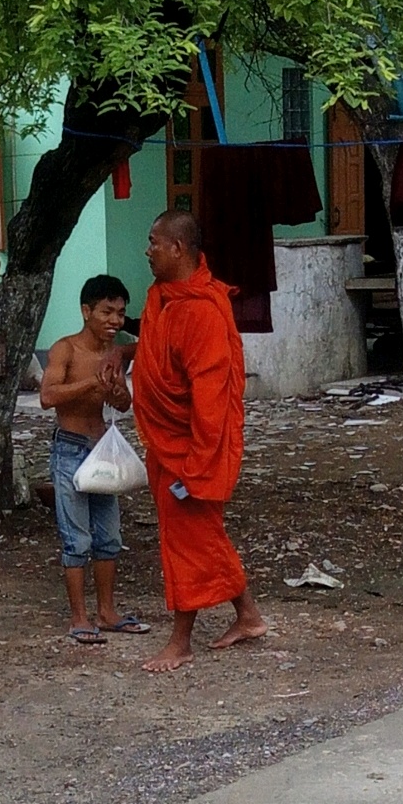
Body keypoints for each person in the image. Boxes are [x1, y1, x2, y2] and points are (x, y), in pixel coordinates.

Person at [131, 205, 266, 671]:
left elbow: (211, 400)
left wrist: (197, 468)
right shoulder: (163, 298)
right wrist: (124, 355)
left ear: (177, 248)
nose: (147, 251)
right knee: (202, 535)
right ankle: (248, 616)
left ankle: (180, 642)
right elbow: (159, 349)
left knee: (187, 542)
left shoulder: (202, 311)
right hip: (166, 443)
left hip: (190, 452)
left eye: (153, 242)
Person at [38, 275, 149, 645]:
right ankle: (79, 617)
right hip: (69, 448)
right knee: (77, 539)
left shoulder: (114, 353)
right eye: (106, 312)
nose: (115, 320)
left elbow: (124, 403)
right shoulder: (65, 349)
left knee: (109, 537)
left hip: (101, 448)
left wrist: (116, 391)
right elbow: (48, 396)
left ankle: (107, 612)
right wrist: (91, 384)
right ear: (86, 311)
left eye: (120, 313)